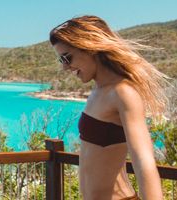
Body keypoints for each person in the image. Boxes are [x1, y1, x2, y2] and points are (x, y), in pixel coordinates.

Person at [49, 15, 166, 199]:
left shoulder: (123, 92)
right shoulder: (97, 92)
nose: (65, 67)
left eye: (67, 58)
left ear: (89, 46)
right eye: (61, 60)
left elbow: (144, 162)